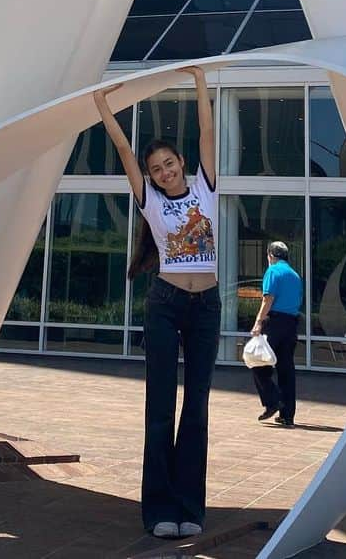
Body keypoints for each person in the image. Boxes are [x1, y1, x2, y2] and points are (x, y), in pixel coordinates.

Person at [93, 66, 220, 541]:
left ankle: (191, 508)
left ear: (181, 162)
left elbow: (208, 129)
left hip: (206, 305)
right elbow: (124, 149)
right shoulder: (149, 200)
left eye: (169, 164)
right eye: (156, 169)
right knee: (161, 406)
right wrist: (103, 106)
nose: (164, 172)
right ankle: (159, 510)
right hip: (165, 303)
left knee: (198, 407)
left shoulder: (206, 186)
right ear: (150, 178)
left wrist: (198, 79)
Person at [250, 241, 303, 427]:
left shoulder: (273, 271)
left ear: (270, 255)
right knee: (286, 368)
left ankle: (273, 400)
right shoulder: (295, 275)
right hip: (291, 323)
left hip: (274, 322)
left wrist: (258, 323)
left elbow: (268, 299)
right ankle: (287, 414)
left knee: (258, 362)